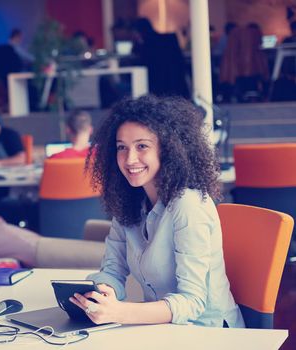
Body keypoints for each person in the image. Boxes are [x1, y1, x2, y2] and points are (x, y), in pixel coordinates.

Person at [70, 95, 245, 328]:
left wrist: (120, 312)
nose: (130, 159)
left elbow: (192, 302)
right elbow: (112, 269)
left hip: (208, 331)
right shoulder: (128, 202)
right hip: (161, 330)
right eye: (122, 147)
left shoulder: (188, 205)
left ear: (168, 149)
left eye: (142, 146)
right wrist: (103, 293)